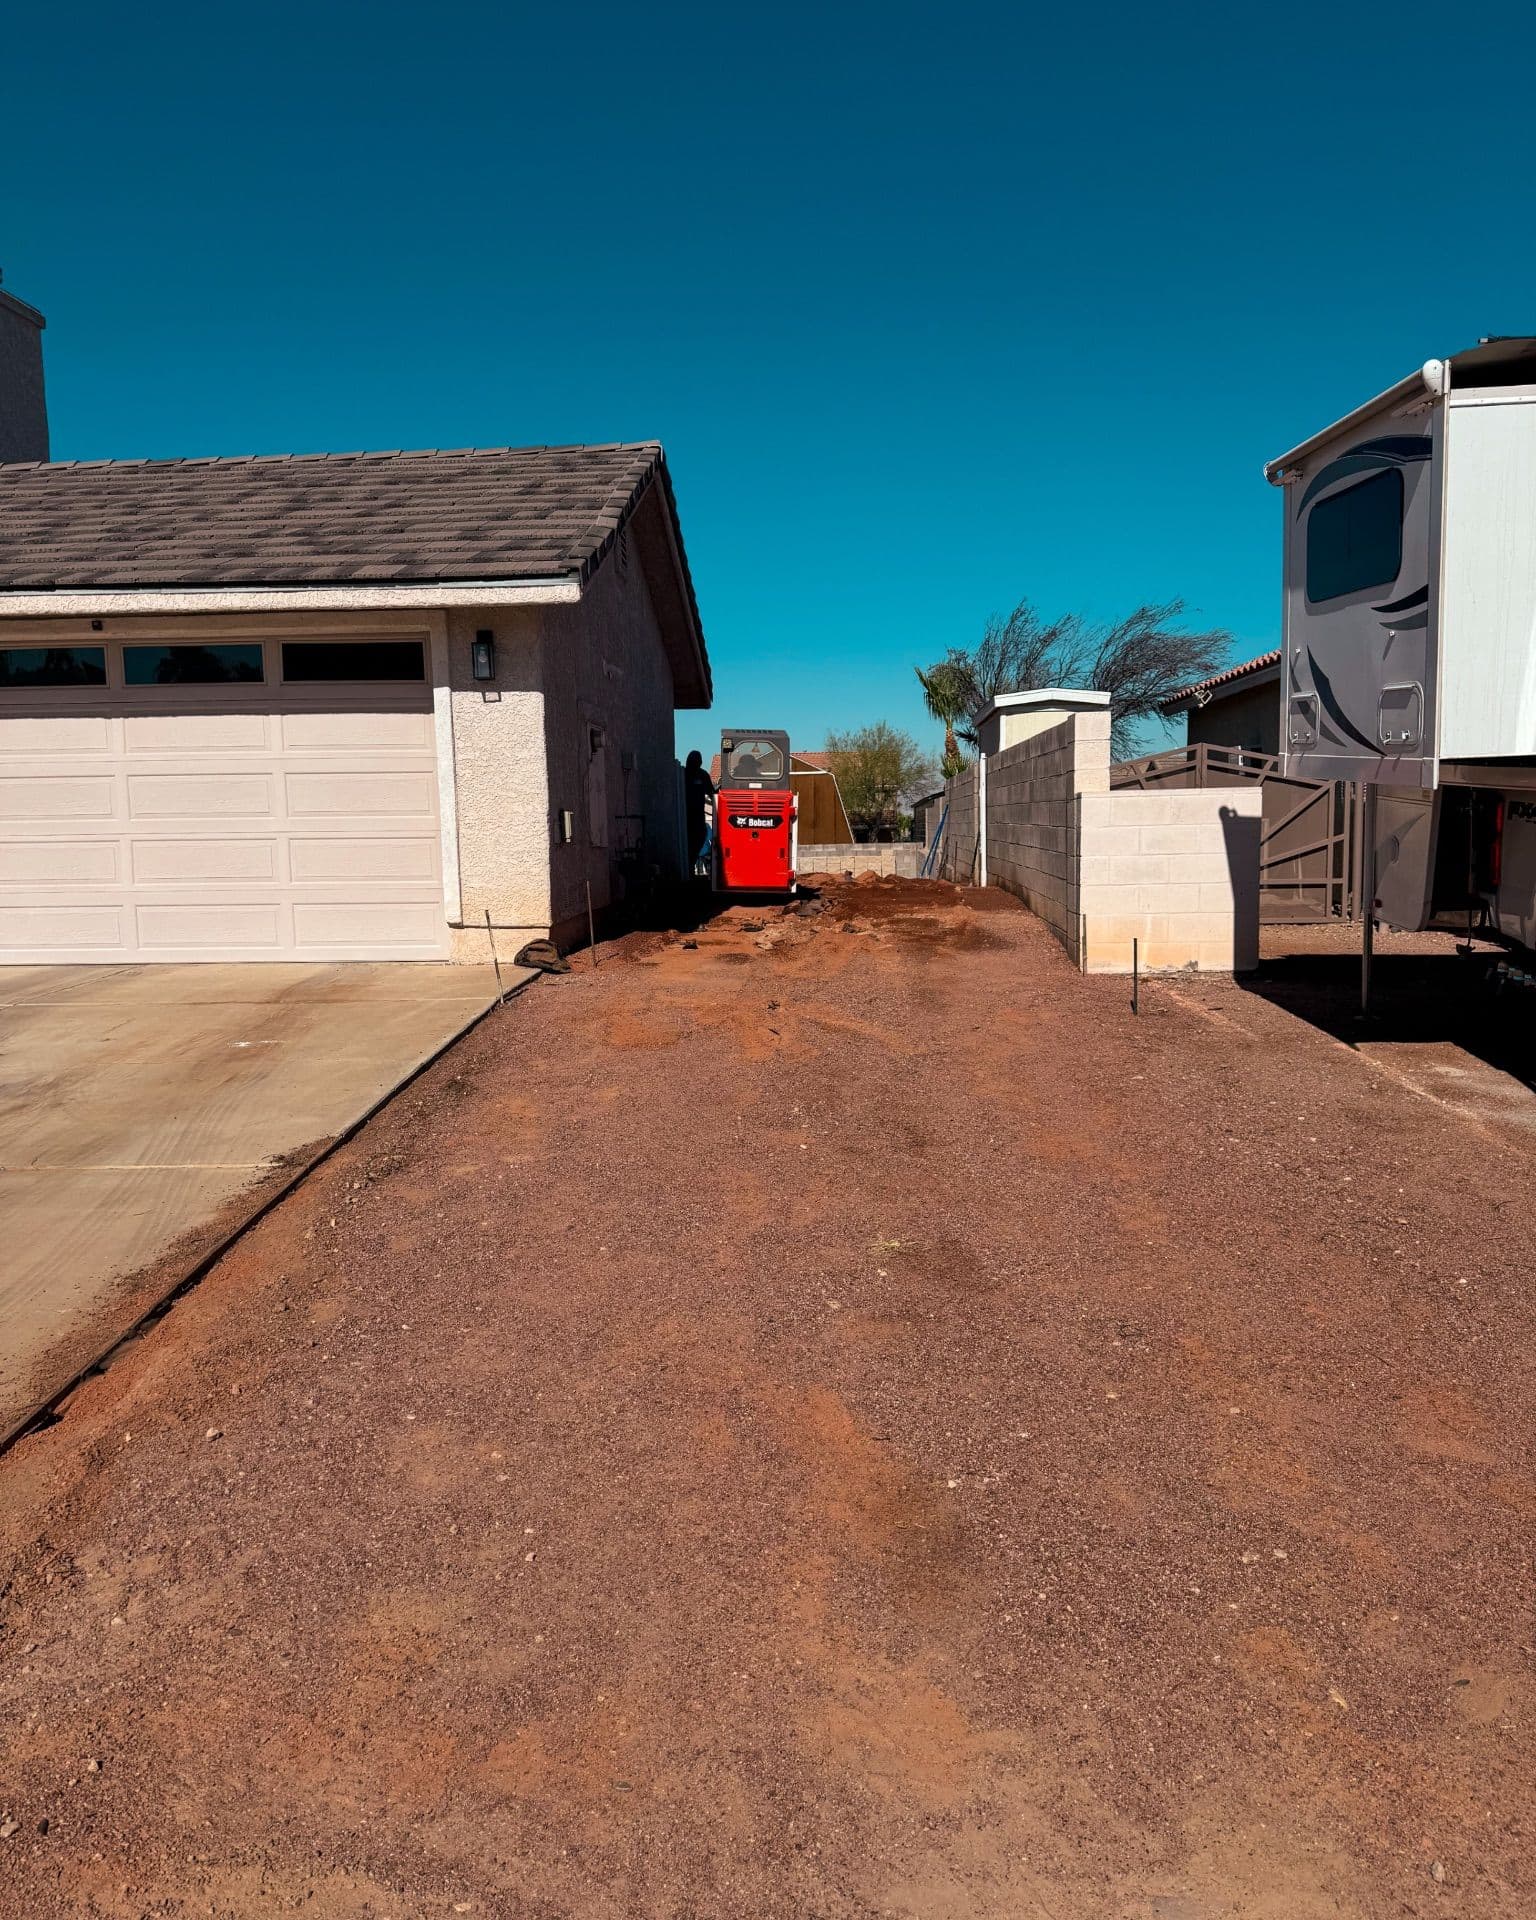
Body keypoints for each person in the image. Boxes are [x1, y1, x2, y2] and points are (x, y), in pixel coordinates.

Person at [683, 749, 716, 873]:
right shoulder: (685, 774)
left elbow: (711, 793)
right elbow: (712, 793)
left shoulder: (701, 775)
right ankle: (689, 865)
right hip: (687, 815)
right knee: (696, 837)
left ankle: (690, 864)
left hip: (696, 815)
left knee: (700, 836)